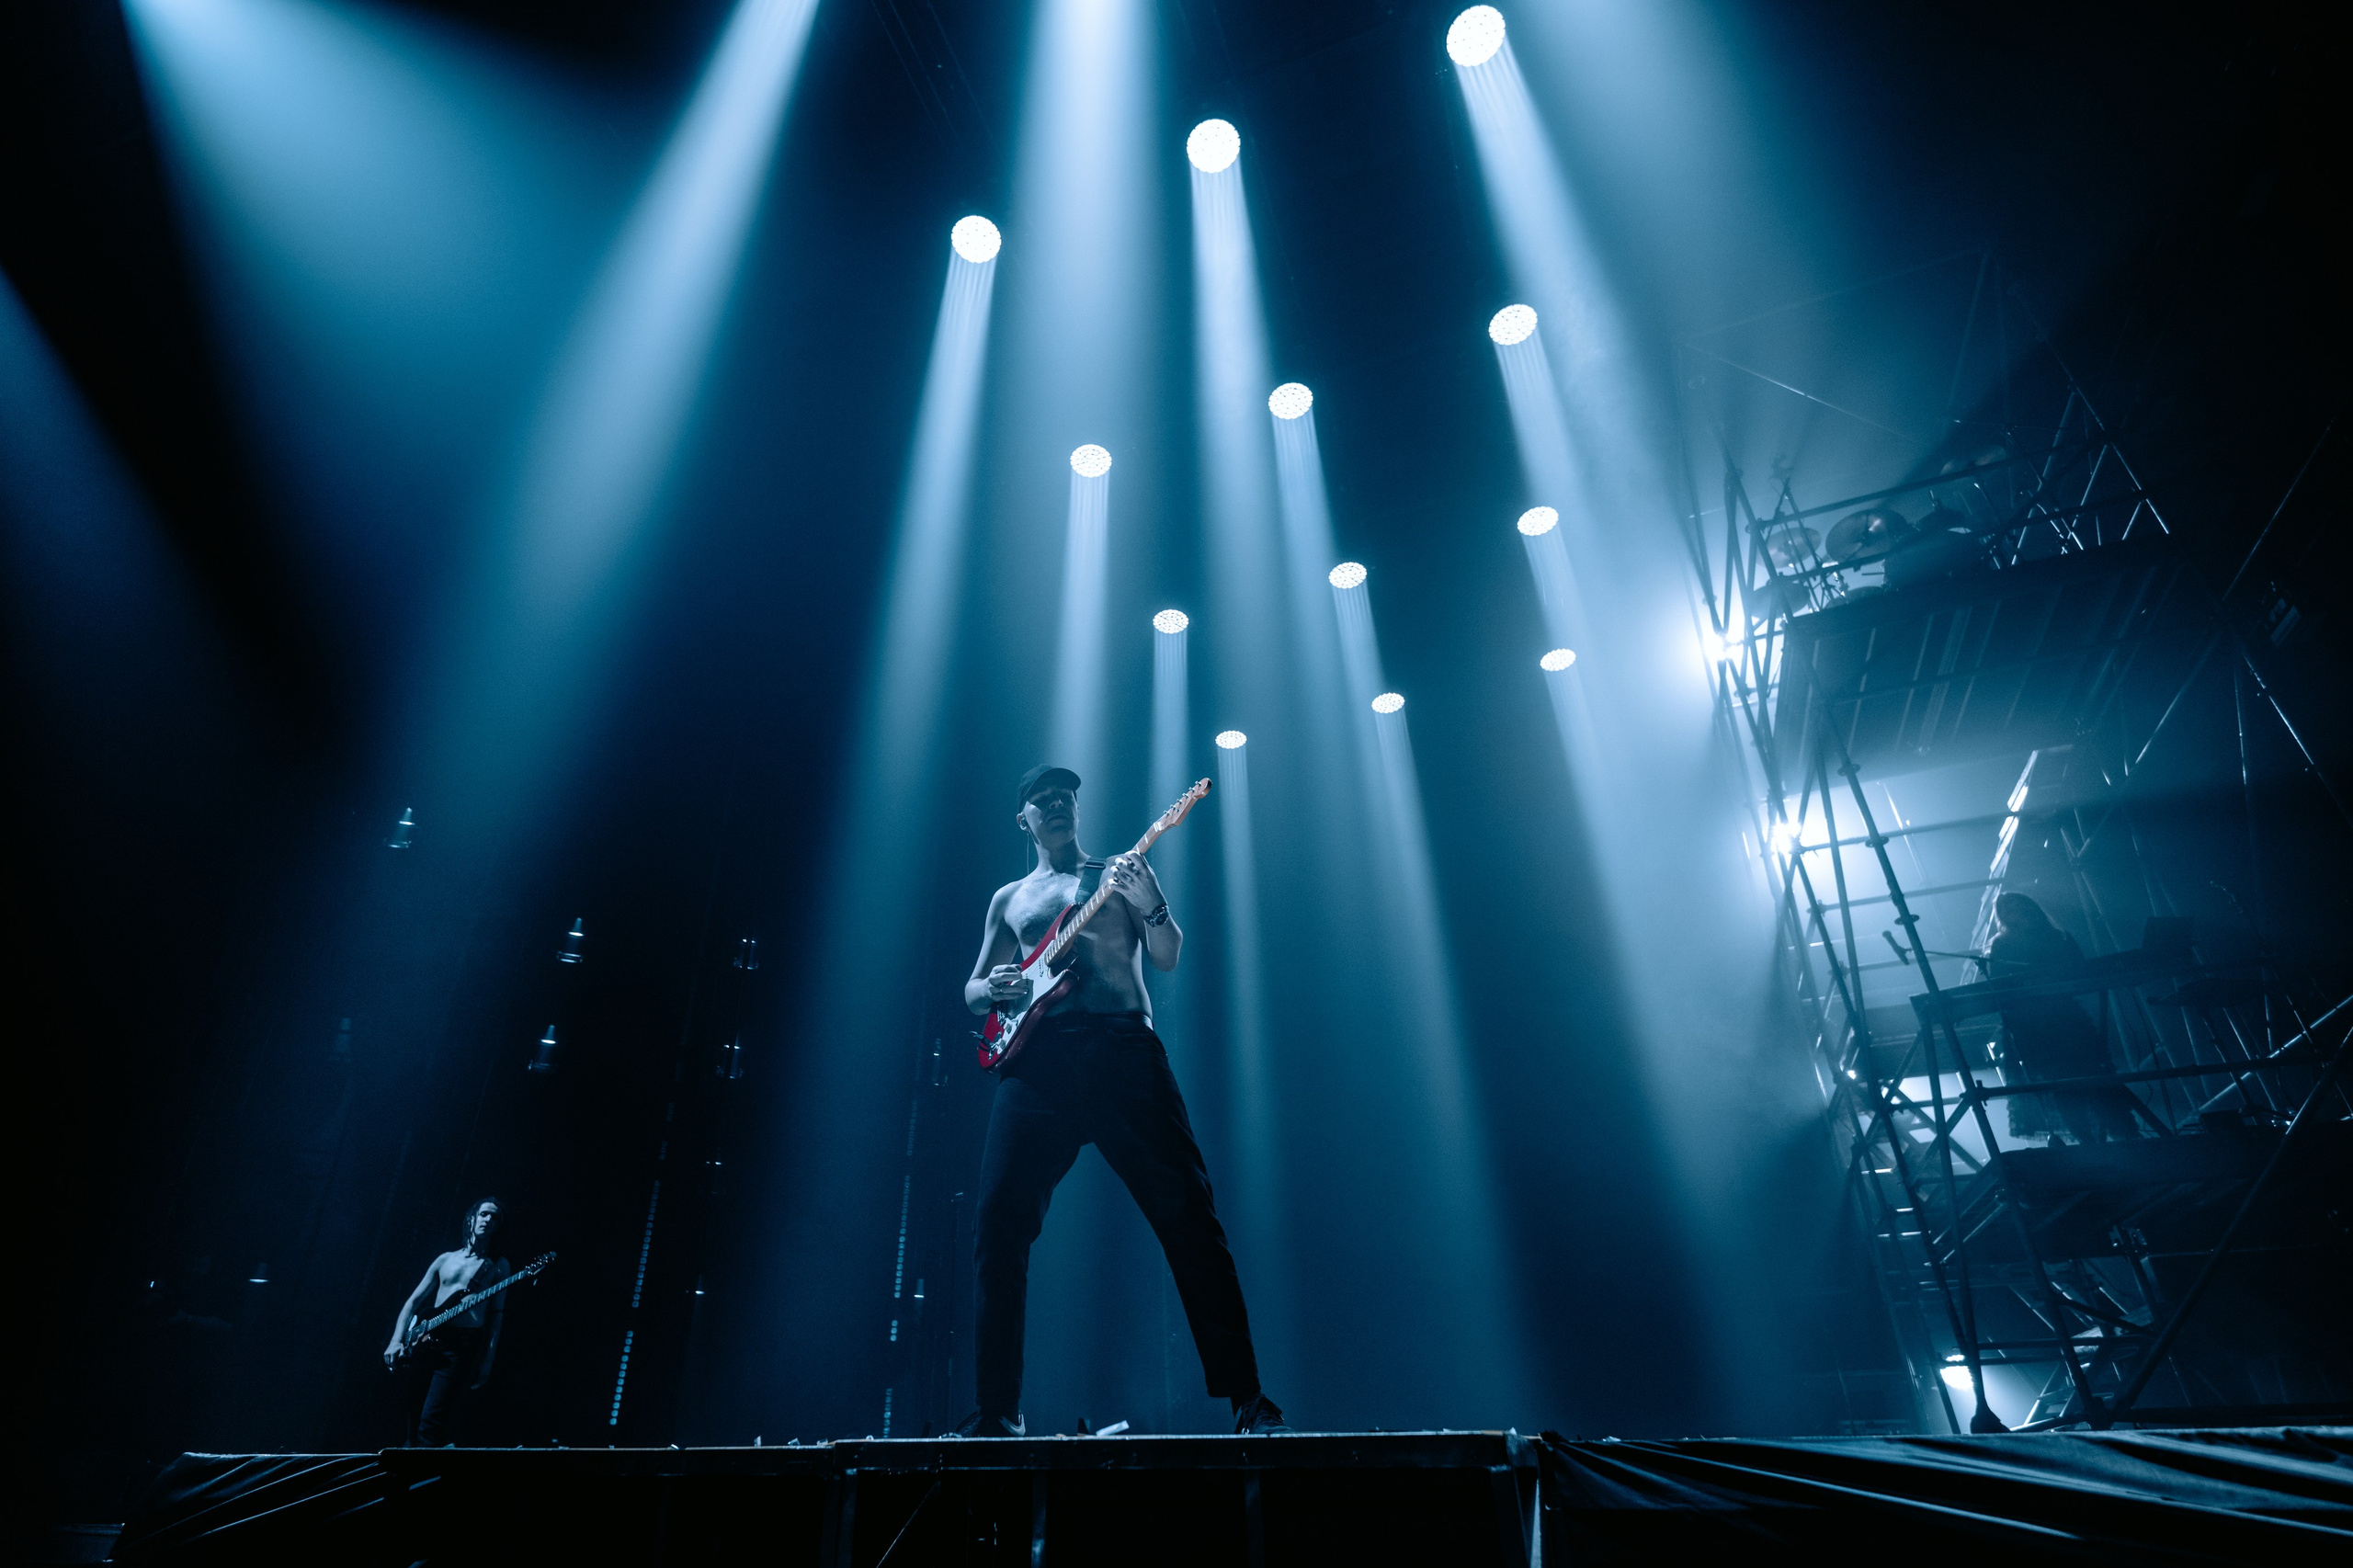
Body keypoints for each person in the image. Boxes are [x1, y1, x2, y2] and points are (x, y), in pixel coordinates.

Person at [961, 764, 1286, 1437]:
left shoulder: (1120, 871)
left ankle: (1248, 1399)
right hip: (1039, 1065)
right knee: (998, 1225)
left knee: (1188, 1214)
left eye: (1066, 796)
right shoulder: (1009, 899)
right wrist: (994, 987)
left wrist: (1155, 904)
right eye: (1042, 799)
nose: (1057, 804)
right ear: (1023, 819)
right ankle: (996, 1412)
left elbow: (1166, 956)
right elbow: (971, 989)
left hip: (1123, 1051)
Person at [1985, 894, 2144, 1143]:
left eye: (2022, 905)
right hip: (2033, 1027)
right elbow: (2000, 989)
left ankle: (2126, 1136)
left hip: (2068, 1019)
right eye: (2011, 908)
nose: (2020, 910)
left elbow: (2081, 973)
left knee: (2097, 1076)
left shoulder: (2058, 937)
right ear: (2004, 917)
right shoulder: (2002, 945)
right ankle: (2090, 1144)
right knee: (2062, 1085)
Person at [384, 1198, 511, 1447]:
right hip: (426, 1340)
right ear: (472, 1218)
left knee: (431, 1421)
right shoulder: (445, 1259)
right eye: (484, 1214)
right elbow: (413, 1302)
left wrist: (487, 1361)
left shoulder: (498, 1265)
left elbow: (497, 1316)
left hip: (461, 1346)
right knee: (412, 1416)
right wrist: (395, 1340)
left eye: (495, 1218)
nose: (488, 1220)